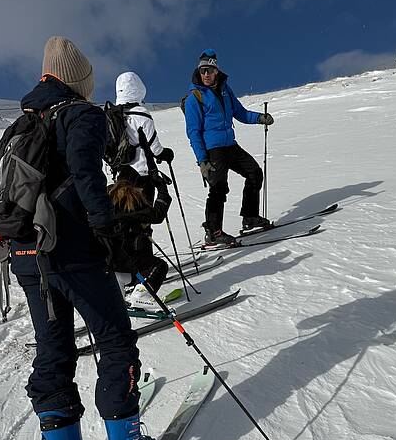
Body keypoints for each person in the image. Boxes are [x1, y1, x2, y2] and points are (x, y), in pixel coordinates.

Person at [10, 36, 160, 440]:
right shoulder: (80, 115)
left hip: (25, 254)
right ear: (79, 82)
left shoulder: (20, 123)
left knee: (53, 350)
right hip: (71, 250)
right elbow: (87, 175)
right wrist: (107, 232)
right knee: (114, 340)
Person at [184, 48, 274, 246]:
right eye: (203, 71)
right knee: (218, 188)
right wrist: (202, 160)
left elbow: (239, 112)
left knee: (254, 173)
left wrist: (259, 118)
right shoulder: (195, 98)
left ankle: (250, 217)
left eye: (210, 70)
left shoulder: (225, 90)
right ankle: (213, 231)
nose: (206, 74)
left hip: (230, 145)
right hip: (213, 149)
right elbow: (193, 132)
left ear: (216, 71)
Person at [108, 163, 173, 309]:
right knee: (159, 266)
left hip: (105, 256)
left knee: (120, 268)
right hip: (126, 255)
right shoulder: (129, 198)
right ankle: (141, 295)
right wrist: (162, 189)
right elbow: (157, 215)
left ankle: (117, 290)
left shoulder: (106, 195)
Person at [114, 71, 174, 201]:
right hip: (142, 173)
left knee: (125, 211)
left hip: (122, 173)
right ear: (138, 89)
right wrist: (166, 154)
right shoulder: (142, 114)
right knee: (143, 212)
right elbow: (155, 149)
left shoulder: (115, 115)